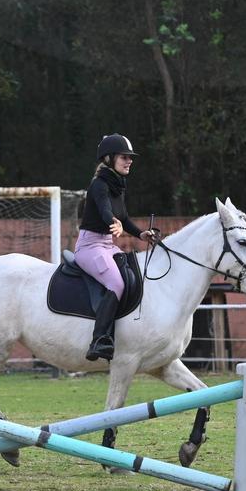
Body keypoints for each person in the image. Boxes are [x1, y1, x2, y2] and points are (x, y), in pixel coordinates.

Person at [75, 133, 158, 361]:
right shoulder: (99, 185)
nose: (129, 161)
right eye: (124, 157)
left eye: (130, 158)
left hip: (106, 245)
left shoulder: (118, 185)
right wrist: (114, 222)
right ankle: (99, 340)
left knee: (133, 271)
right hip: (89, 247)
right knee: (116, 282)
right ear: (109, 158)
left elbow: (125, 218)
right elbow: (104, 212)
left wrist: (141, 233)